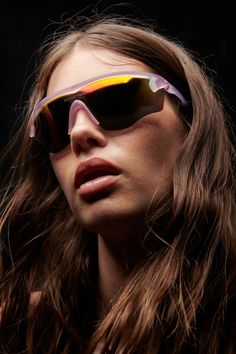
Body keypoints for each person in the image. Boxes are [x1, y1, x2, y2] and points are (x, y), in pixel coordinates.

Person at [0, 15, 235, 354]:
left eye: (118, 101)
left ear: (190, 126)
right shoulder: (18, 330)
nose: (79, 133)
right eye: (55, 122)